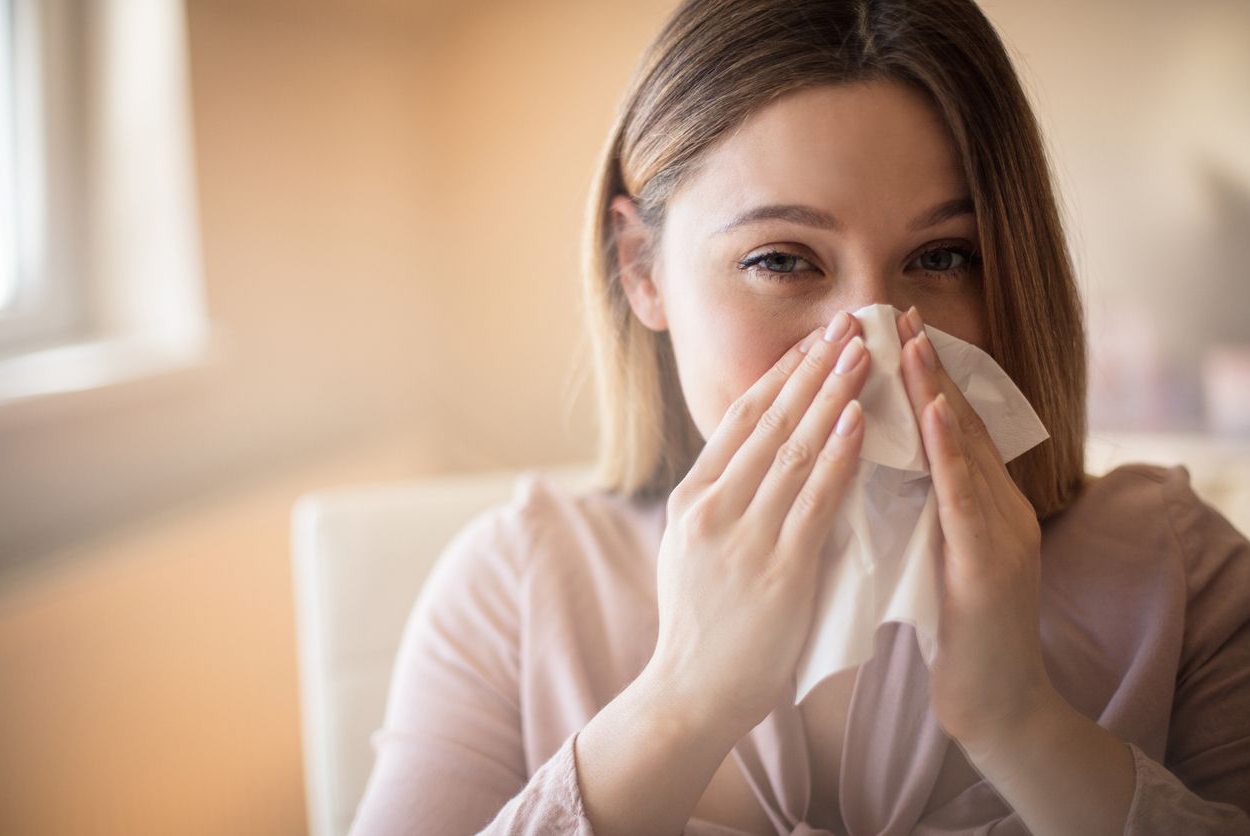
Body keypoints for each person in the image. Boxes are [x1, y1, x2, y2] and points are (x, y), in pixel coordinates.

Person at [348, 0, 1250, 833]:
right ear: (641, 268)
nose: (874, 344)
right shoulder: (513, 596)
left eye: (942, 256)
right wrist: (680, 703)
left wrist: (1022, 721)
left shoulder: (1179, 577)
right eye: (782, 260)